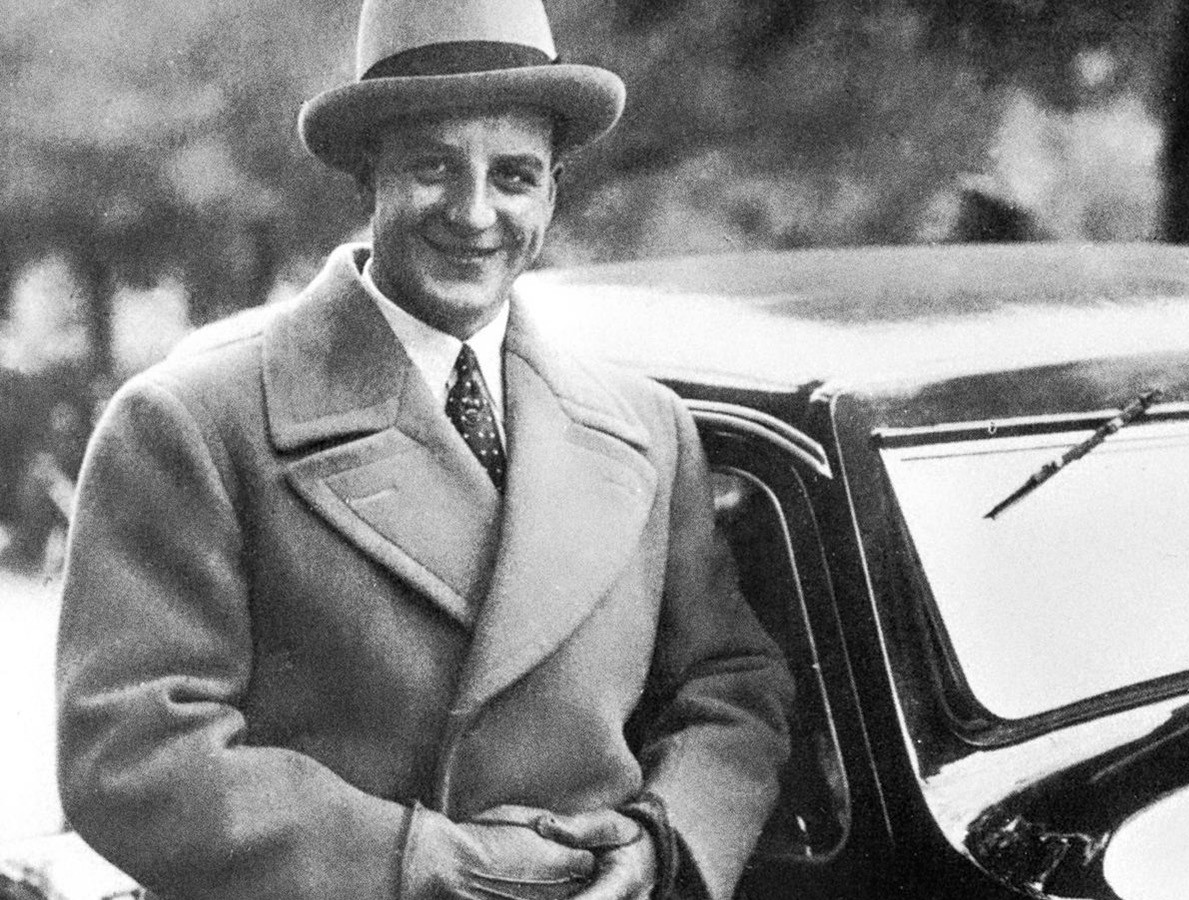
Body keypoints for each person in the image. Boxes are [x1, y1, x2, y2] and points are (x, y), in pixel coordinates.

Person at [53, 2, 794, 899]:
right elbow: (132, 750)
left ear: (554, 191)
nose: (476, 213)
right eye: (433, 167)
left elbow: (731, 685)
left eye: (514, 175)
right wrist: (426, 865)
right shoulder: (191, 422)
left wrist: (662, 843)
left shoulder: (646, 427)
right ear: (366, 178)